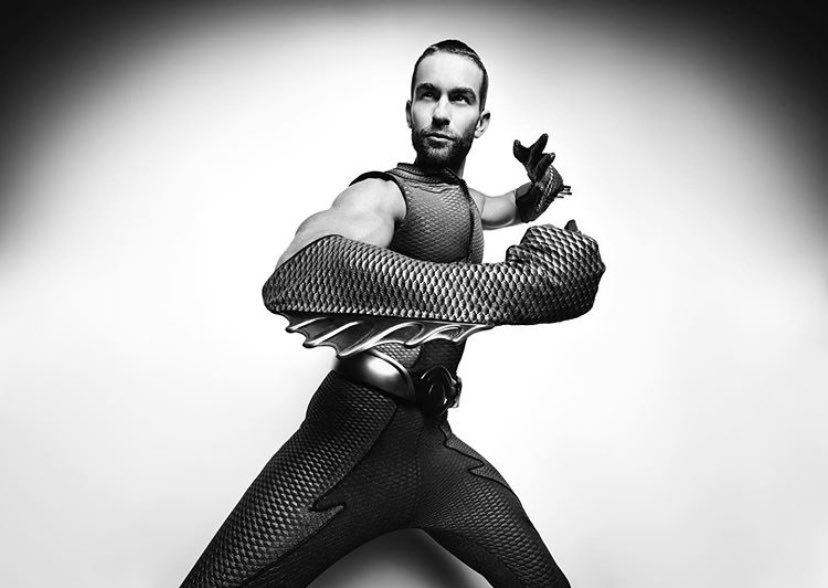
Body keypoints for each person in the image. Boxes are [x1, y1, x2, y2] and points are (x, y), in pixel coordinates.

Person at [181, 39, 605, 588]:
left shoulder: (466, 200)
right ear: (409, 110)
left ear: (481, 121)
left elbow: (504, 209)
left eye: (460, 98)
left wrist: (539, 191)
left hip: (435, 448)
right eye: (428, 95)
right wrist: (517, 287)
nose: (441, 112)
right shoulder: (384, 193)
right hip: (346, 442)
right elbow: (302, 270)